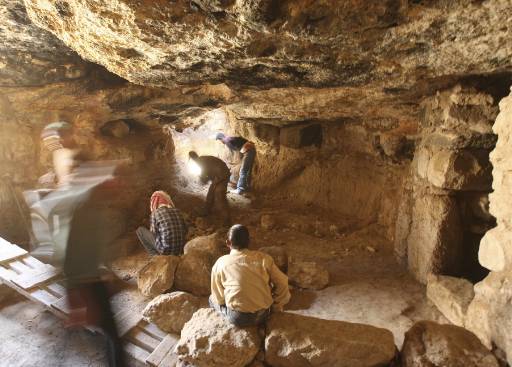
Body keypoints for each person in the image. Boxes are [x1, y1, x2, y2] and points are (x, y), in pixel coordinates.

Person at [209, 224, 290, 327]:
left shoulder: (220, 263)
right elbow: (283, 282)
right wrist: (276, 305)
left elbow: (218, 297)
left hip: (238, 318)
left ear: (228, 243)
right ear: (249, 241)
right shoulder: (264, 258)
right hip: (263, 314)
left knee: (212, 299)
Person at [136, 191, 187, 256]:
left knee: (140, 230)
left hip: (165, 251)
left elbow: (154, 233)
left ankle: (154, 256)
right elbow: (185, 230)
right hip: (180, 249)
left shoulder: (155, 214)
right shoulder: (177, 211)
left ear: (154, 202)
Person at [188, 151, 231, 224]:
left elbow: (204, 175)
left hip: (221, 176)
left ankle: (226, 219)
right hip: (219, 175)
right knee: (211, 193)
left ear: (192, 158)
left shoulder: (200, 161)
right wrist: (205, 178)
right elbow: (207, 172)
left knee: (220, 196)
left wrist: (202, 179)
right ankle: (206, 210)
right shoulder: (202, 159)